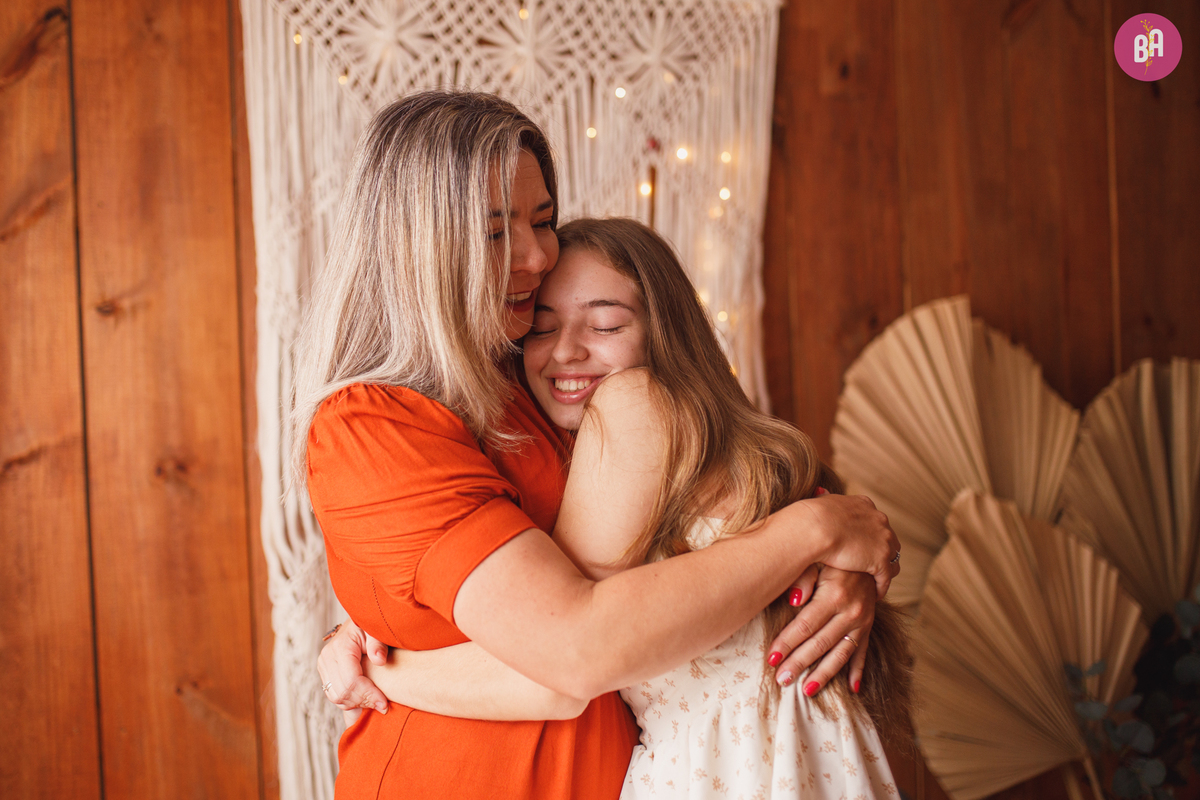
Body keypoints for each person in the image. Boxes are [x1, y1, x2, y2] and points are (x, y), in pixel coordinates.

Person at [294, 90, 900, 799]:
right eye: (495, 232)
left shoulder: (533, 373)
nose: (535, 255)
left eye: (542, 221)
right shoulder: (373, 425)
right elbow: (570, 653)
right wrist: (813, 532)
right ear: (417, 248)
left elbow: (688, 512)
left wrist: (835, 547)